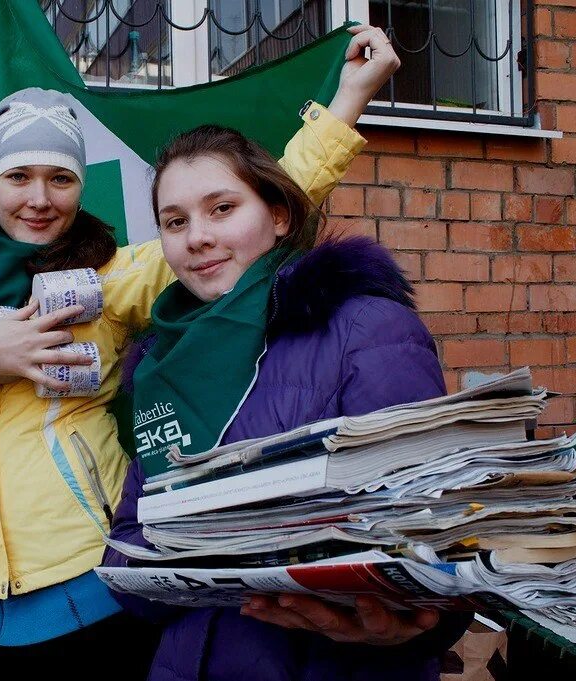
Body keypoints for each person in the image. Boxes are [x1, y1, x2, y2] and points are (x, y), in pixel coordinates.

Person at [0, 25, 396, 677]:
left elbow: (253, 216)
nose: (40, 197)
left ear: (81, 186)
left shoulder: (107, 280)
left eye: (61, 177)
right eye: (19, 174)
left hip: (93, 592)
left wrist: (347, 102)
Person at [103, 127, 472, 680]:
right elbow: (129, 543)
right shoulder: (163, 367)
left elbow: (435, 531)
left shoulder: (366, 329)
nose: (197, 237)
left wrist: (418, 625)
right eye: (175, 222)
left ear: (279, 216)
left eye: (222, 208)